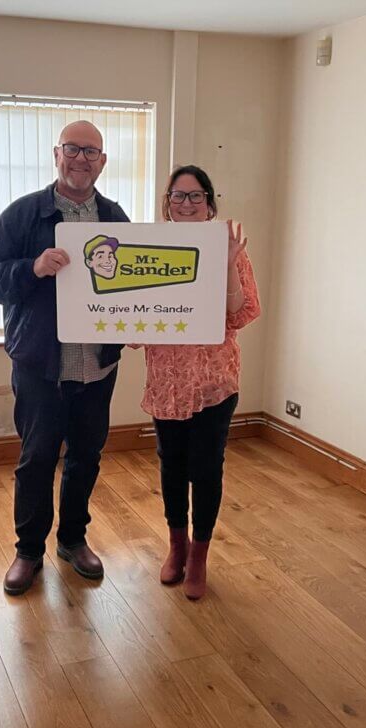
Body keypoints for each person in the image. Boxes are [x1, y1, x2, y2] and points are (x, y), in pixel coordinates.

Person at [0, 121, 130, 595]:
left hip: (97, 367)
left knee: (86, 457)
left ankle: (72, 540)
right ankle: (28, 551)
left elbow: (131, 288)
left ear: (102, 161)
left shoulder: (116, 218)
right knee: (37, 459)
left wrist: (140, 326)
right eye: (73, 149)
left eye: (91, 151)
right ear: (56, 154)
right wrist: (33, 268)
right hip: (40, 365)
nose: (81, 158)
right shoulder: (23, 215)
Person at [141, 165, 261, 599]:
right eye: (178, 196)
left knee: (206, 469)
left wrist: (229, 265)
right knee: (171, 465)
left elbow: (240, 314)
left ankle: (199, 555)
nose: (186, 203)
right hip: (166, 379)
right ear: (167, 203)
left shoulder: (229, 247)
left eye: (195, 196)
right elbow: (138, 314)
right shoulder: (149, 248)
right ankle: (176, 547)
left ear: (209, 203)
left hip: (214, 380)